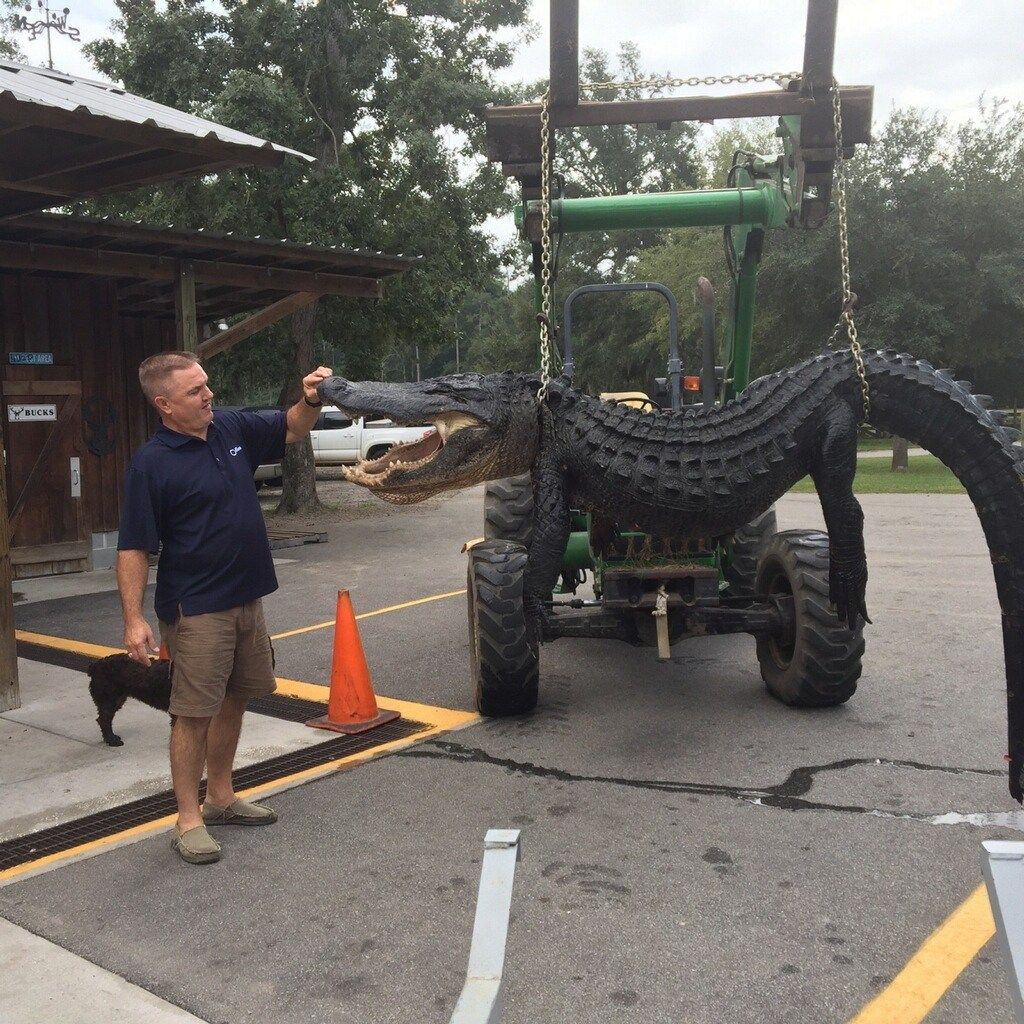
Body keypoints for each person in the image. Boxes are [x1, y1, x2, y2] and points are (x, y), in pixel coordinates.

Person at [116, 351, 331, 865]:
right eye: (194, 391)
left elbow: (292, 429)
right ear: (164, 405)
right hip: (197, 609)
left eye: (206, 385)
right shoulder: (151, 463)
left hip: (246, 597)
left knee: (236, 698)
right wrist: (134, 619)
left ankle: (222, 797)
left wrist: (310, 399)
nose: (208, 394)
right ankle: (188, 820)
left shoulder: (228, 427)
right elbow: (133, 547)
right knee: (192, 715)